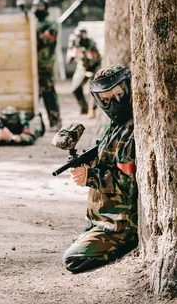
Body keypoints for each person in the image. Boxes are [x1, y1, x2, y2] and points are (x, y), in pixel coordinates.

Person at [63, 65, 137, 273]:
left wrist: (91, 176)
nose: (113, 104)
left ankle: (126, 245)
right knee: (76, 244)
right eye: (105, 100)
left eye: (119, 95)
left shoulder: (130, 130)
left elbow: (129, 185)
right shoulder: (115, 126)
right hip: (102, 219)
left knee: (72, 260)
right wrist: (90, 166)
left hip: (121, 225)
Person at [33, 0, 62, 131]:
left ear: (46, 7)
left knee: (48, 93)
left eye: (40, 7)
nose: (37, 9)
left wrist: (32, 32)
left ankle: (55, 121)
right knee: (33, 94)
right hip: (33, 64)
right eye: (36, 6)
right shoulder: (36, 22)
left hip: (45, 64)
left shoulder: (51, 23)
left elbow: (45, 40)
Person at [67, 27, 102, 118]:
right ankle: (84, 108)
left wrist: (84, 54)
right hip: (82, 66)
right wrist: (72, 55)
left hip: (94, 66)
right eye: (77, 36)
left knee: (94, 89)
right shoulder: (74, 43)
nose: (79, 38)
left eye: (81, 35)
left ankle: (92, 110)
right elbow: (69, 61)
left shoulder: (91, 43)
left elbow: (95, 59)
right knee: (75, 88)